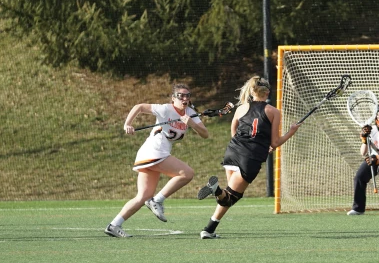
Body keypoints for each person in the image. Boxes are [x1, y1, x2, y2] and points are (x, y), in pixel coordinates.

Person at [196, 76, 302, 239]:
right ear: (267, 92)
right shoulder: (273, 112)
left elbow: (234, 130)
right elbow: (275, 142)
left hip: (232, 152)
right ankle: (215, 189)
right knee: (231, 197)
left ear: (252, 91)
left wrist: (241, 146)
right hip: (249, 158)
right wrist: (291, 131)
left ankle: (209, 229)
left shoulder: (241, 108)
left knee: (229, 197)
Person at [104, 84, 209, 238]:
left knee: (143, 196)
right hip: (153, 151)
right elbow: (139, 107)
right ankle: (157, 201)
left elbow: (205, 134)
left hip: (156, 154)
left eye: (187, 95)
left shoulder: (190, 113)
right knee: (187, 173)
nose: (184, 98)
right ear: (173, 98)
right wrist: (128, 124)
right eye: (180, 96)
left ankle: (114, 225)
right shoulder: (165, 109)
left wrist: (191, 124)